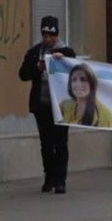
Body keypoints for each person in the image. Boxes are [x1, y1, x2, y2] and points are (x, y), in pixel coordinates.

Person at [18, 16, 75, 194]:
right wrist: (37, 68)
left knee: (61, 143)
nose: (48, 39)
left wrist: (63, 58)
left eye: (51, 35)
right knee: (46, 144)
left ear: (57, 35)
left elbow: (76, 68)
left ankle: (60, 180)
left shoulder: (67, 52)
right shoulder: (35, 52)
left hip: (61, 106)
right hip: (42, 105)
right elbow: (23, 74)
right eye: (45, 35)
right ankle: (49, 177)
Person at [58, 63, 112, 128]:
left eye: (83, 80)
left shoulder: (105, 115)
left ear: (92, 84)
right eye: (74, 80)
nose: (78, 84)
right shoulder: (64, 105)